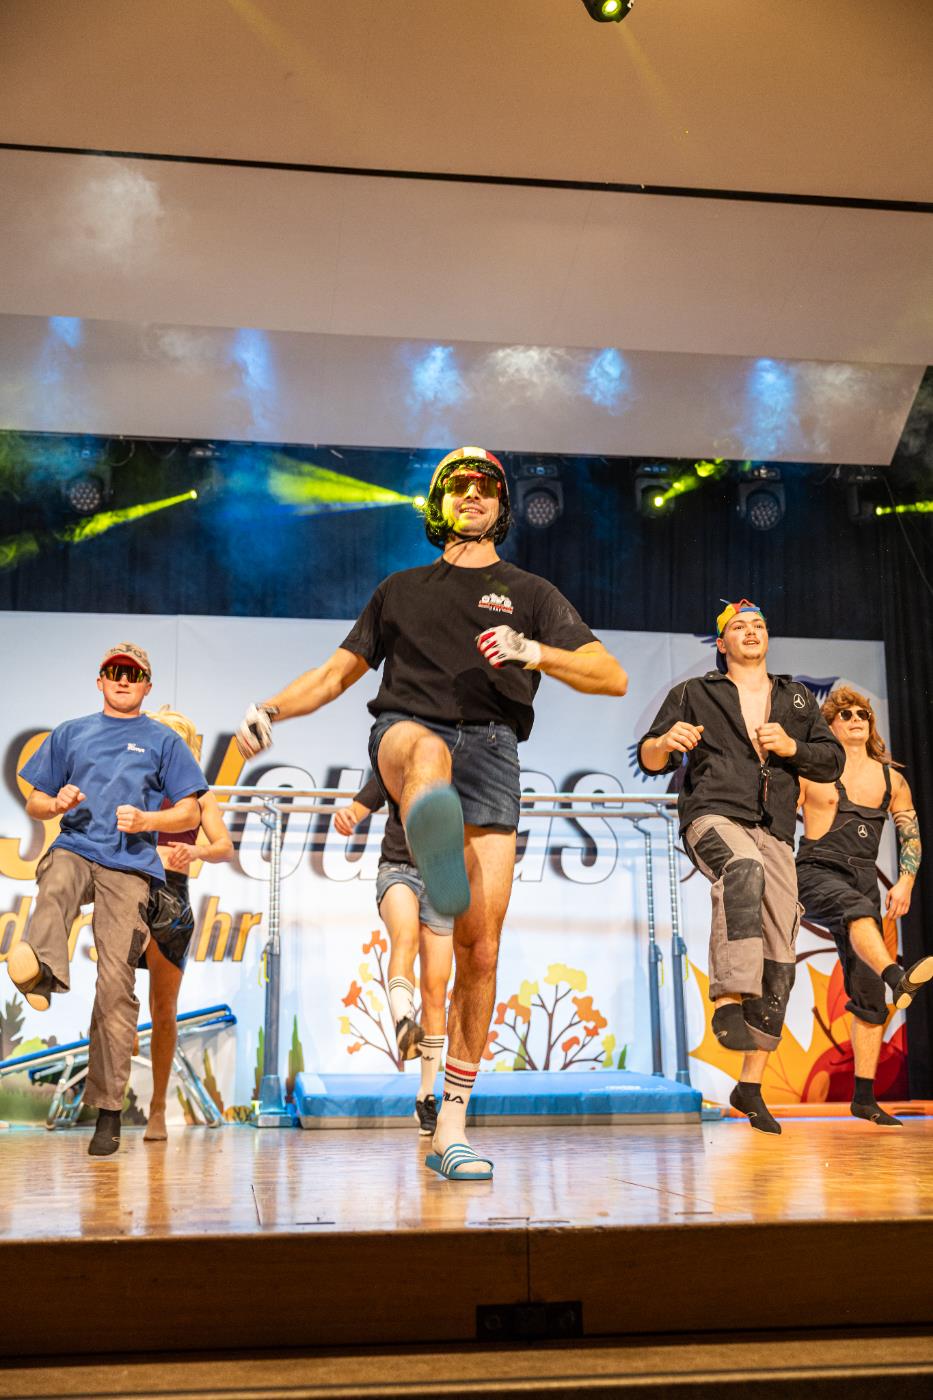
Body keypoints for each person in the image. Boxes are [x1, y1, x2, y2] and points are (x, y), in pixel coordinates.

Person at [236, 446, 627, 1178]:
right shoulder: (400, 589)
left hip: (494, 751)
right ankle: (434, 857)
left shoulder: (530, 592)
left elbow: (610, 675)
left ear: (501, 507)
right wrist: (270, 709)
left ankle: (451, 1125)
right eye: (459, 486)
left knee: (482, 952)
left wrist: (533, 650)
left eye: (486, 488)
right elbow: (334, 674)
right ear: (439, 503)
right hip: (407, 732)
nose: (473, 495)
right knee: (424, 754)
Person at [637, 599, 844, 1134]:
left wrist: (792, 746)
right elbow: (651, 757)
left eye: (759, 625)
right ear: (722, 643)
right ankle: (728, 1001)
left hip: (775, 828)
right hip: (713, 815)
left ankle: (749, 1085)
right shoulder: (695, 693)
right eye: (739, 627)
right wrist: (664, 741)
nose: (751, 632)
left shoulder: (795, 697)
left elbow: (832, 761)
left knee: (781, 954)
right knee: (743, 868)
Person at [8, 644, 207, 1156]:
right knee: (56, 878)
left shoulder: (163, 741)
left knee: (116, 986)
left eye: (133, 674)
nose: (122, 680)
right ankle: (41, 973)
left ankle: (109, 1109)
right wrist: (55, 802)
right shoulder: (71, 732)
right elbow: (34, 800)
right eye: (114, 672)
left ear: (147, 686)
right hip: (77, 846)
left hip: (130, 865)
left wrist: (148, 821)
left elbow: (190, 812)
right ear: (100, 680)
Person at [797, 687, 928, 1126]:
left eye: (863, 714)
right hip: (815, 869)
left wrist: (906, 880)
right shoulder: (811, 772)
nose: (856, 719)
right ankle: (897, 975)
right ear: (830, 725)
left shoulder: (892, 780)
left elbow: (910, 836)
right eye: (846, 714)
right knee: (856, 908)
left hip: (862, 877)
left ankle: (864, 1099)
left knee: (869, 999)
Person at [335, 777, 453, 1136]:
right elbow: (362, 802)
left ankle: (426, 1096)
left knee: (436, 989)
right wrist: (349, 815)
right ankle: (404, 1020)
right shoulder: (401, 760)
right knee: (405, 938)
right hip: (399, 869)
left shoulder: (466, 760)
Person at [142, 706, 234, 1142]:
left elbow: (224, 846)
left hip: (172, 896)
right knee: (113, 1000)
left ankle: (158, 1107)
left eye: (174, 742)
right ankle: (107, 1105)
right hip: (129, 888)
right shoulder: (133, 783)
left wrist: (196, 852)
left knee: (164, 1010)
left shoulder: (197, 794)